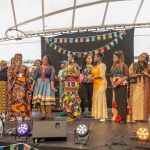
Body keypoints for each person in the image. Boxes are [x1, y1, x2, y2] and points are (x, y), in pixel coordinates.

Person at [32, 55, 57, 120]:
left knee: (48, 101)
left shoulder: (51, 68)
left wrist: (52, 87)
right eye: (43, 59)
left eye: (45, 59)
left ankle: (49, 115)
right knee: (41, 102)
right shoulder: (38, 68)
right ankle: (43, 115)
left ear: (48, 60)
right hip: (39, 84)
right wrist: (32, 85)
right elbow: (35, 77)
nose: (44, 60)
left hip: (47, 85)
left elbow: (52, 78)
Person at [129, 53, 150, 122]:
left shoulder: (148, 66)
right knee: (135, 100)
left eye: (143, 57)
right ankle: (134, 117)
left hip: (145, 85)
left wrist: (145, 73)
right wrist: (137, 75)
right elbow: (130, 75)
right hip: (136, 84)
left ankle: (143, 117)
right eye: (141, 56)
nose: (141, 57)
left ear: (146, 60)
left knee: (143, 101)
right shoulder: (134, 64)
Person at [9, 53, 31, 121]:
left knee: (22, 99)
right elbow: (11, 76)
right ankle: (13, 116)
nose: (19, 59)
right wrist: (16, 67)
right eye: (17, 58)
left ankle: (24, 115)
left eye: (20, 58)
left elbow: (27, 77)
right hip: (15, 85)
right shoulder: (11, 67)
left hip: (23, 86)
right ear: (15, 58)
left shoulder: (25, 67)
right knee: (15, 100)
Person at [110, 51, 129, 123]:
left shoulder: (124, 65)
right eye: (113, 57)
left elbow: (127, 76)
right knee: (116, 101)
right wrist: (113, 81)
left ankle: (123, 118)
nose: (113, 59)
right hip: (115, 85)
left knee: (122, 101)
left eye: (115, 57)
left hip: (122, 85)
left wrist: (119, 81)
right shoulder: (113, 66)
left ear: (119, 57)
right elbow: (111, 76)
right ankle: (117, 116)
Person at [60, 54, 81, 122]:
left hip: (73, 84)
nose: (68, 58)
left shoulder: (76, 65)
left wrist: (68, 74)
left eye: (69, 57)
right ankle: (71, 115)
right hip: (68, 84)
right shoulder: (69, 66)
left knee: (73, 100)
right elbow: (66, 74)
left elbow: (78, 74)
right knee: (68, 100)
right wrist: (64, 76)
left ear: (73, 58)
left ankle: (74, 115)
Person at [90, 53, 108, 122]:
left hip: (101, 83)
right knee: (96, 98)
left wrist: (92, 77)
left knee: (101, 98)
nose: (94, 59)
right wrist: (91, 77)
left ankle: (102, 116)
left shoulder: (102, 65)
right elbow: (94, 74)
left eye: (95, 57)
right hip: (96, 83)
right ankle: (97, 114)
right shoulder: (95, 66)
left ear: (99, 58)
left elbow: (101, 75)